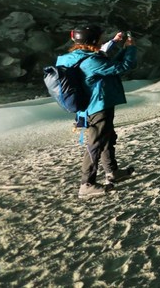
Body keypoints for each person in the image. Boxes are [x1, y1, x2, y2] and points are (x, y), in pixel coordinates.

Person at [56, 26, 137, 199]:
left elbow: (100, 57)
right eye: (100, 38)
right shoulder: (91, 61)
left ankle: (112, 171)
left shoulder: (70, 58)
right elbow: (123, 66)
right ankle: (87, 185)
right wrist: (130, 48)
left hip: (88, 106)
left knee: (106, 137)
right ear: (94, 41)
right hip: (98, 107)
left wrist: (115, 43)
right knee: (95, 144)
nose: (102, 40)